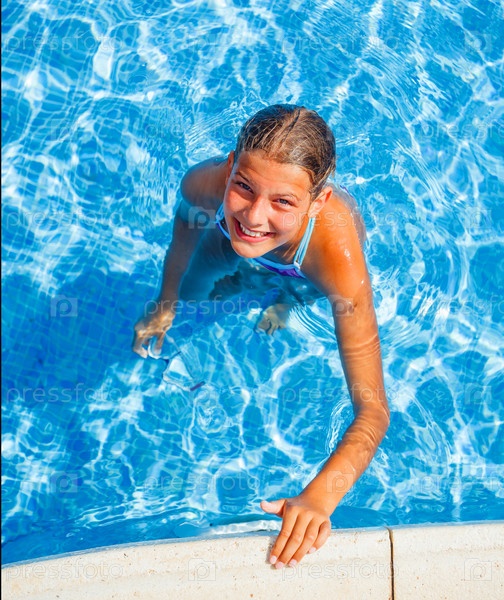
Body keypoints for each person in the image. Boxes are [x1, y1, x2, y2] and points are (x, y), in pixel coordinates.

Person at [133, 104, 389, 569]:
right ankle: (247, 280)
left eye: (283, 201)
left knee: (290, 292)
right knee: (194, 294)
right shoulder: (203, 186)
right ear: (230, 167)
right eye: (244, 187)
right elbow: (184, 235)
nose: (254, 214)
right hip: (229, 240)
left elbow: (373, 411)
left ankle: (282, 303)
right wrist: (166, 300)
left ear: (318, 202)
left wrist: (320, 498)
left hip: (304, 269)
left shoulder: (337, 260)